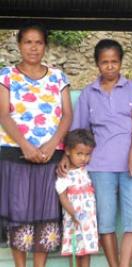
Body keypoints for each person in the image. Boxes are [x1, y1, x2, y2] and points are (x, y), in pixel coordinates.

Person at [60, 39, 132, 267]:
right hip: (99, 167)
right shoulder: (89, 93)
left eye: (114, 62)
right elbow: (79, 131)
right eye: (104, 62)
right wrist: (65, 157)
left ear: (121, 62)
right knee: (106, 222)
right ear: (97, 64)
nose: (110, 67)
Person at [0, 22, 73, 267]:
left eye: (38, 42)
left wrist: (53, 145)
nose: (33, 47)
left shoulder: (58, 77)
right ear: (19, 45)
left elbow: (67, 115)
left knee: (45, 214)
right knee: (18, 213)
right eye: (28, 42)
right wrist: (25, 146)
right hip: (14, 154)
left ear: (45, 46)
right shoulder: (6, 75)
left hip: (48, 155)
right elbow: (3, 114)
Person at [56, 129, 98, 267]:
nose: (83, 158)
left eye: (87, 154)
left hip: (88, 219)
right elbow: (62, 196)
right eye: (79, 154)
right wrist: (73, 213)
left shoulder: (87, 170)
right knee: (75, 249)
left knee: (86, 249)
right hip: (72, 218)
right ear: (68, 151)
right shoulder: (65, 174)